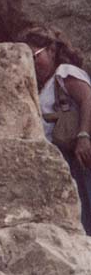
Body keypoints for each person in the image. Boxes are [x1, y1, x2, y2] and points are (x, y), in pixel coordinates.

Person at [23, 26, 91, 234]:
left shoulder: (65, 73)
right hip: (62, 156)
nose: (31, 64)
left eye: (34, 56)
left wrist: (83, 136)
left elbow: (87, 99)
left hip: (76, 153)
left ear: (51, 50)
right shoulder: (43, 85)